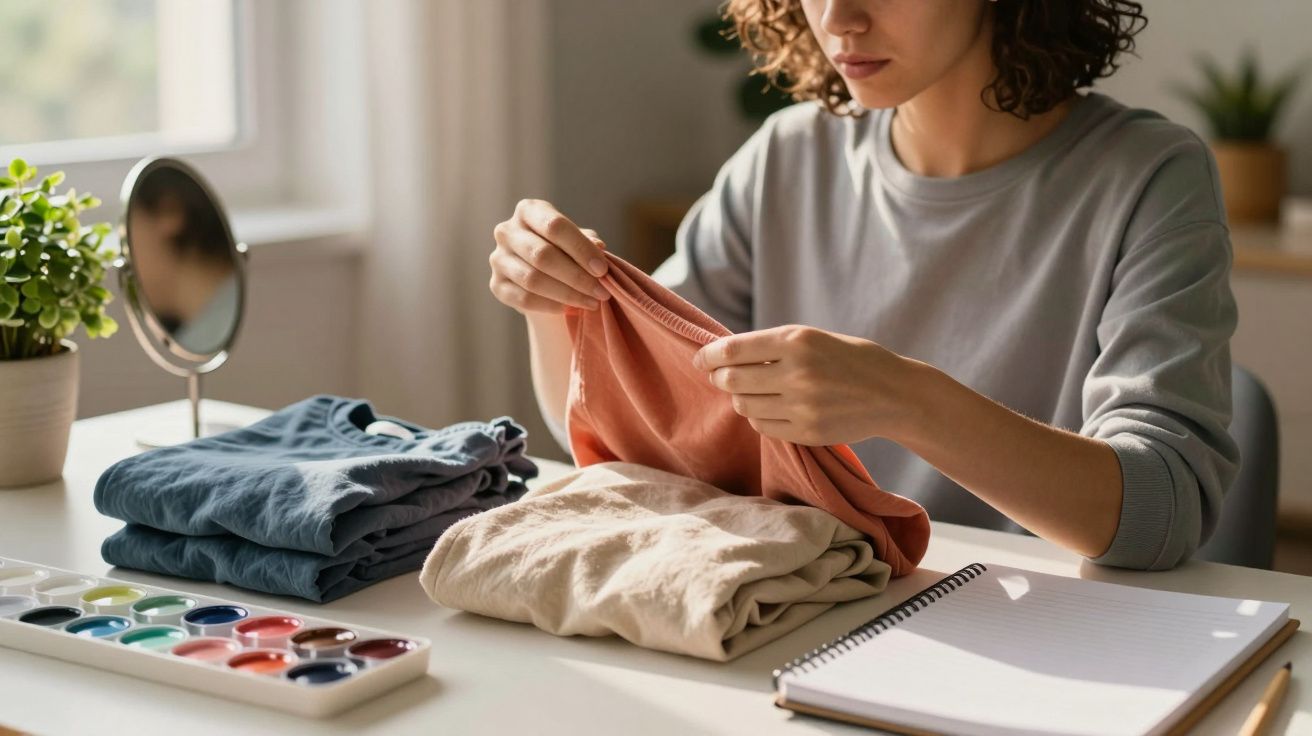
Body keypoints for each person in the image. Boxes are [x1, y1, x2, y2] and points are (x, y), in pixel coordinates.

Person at [488, 0, 1238, 571]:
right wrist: (557, 307)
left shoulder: (1149, 176)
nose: (838, 18)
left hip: (1040, 631)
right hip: (807, 612)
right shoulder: (787, 156)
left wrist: (908, 399)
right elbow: (631, 440)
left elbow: (1162, 513)